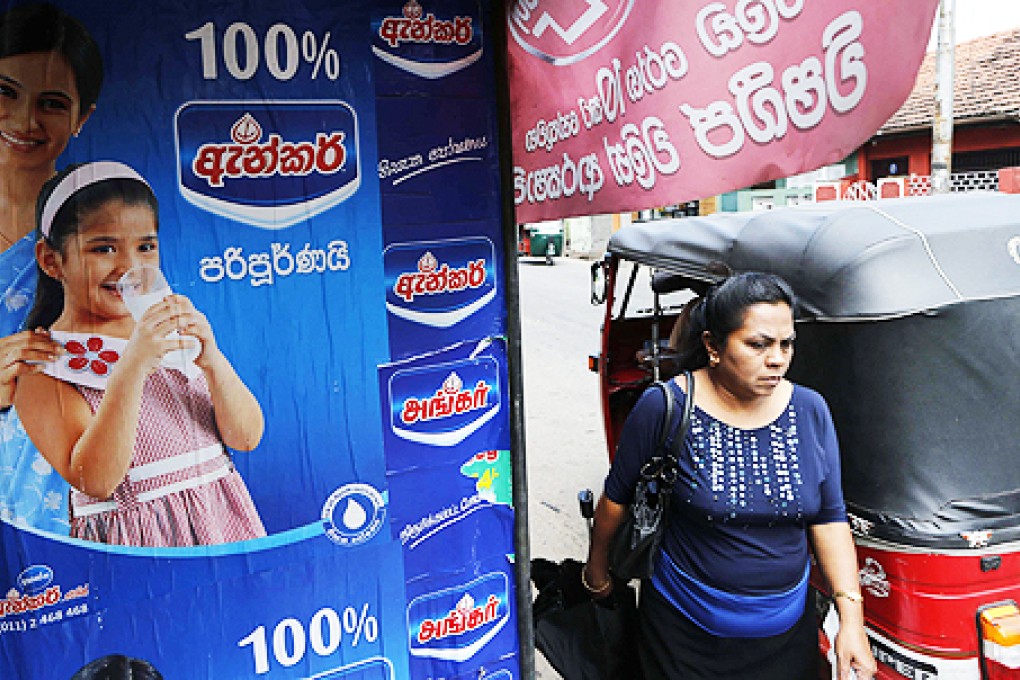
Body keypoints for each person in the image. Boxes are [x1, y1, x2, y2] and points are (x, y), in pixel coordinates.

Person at [584, 272, 877, 680]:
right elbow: (616, 500)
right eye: (758, 345)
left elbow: (829, 517)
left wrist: (852, 620)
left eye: (786, 344)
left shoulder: (811, 410)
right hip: (682, 636)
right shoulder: (665, 406)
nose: (777, 358)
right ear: (712, 346)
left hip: (786, 638)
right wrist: (596, 573)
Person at [14, 161, 266, 547]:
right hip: (140, 545)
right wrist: (131, 366)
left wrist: (213, 360)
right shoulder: (45, 365)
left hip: (224, 523)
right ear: (51, 260)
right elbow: (96, 481)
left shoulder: (169, 334)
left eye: (146, 246)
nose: (130, 266)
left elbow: (246, 438)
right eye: (104, 248)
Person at [0, 2, 103, 531]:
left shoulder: (103, 220)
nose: (24, 121)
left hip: (86, 512)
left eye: (52, 103)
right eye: (5, 92)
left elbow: (153, 373)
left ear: (81, 118)